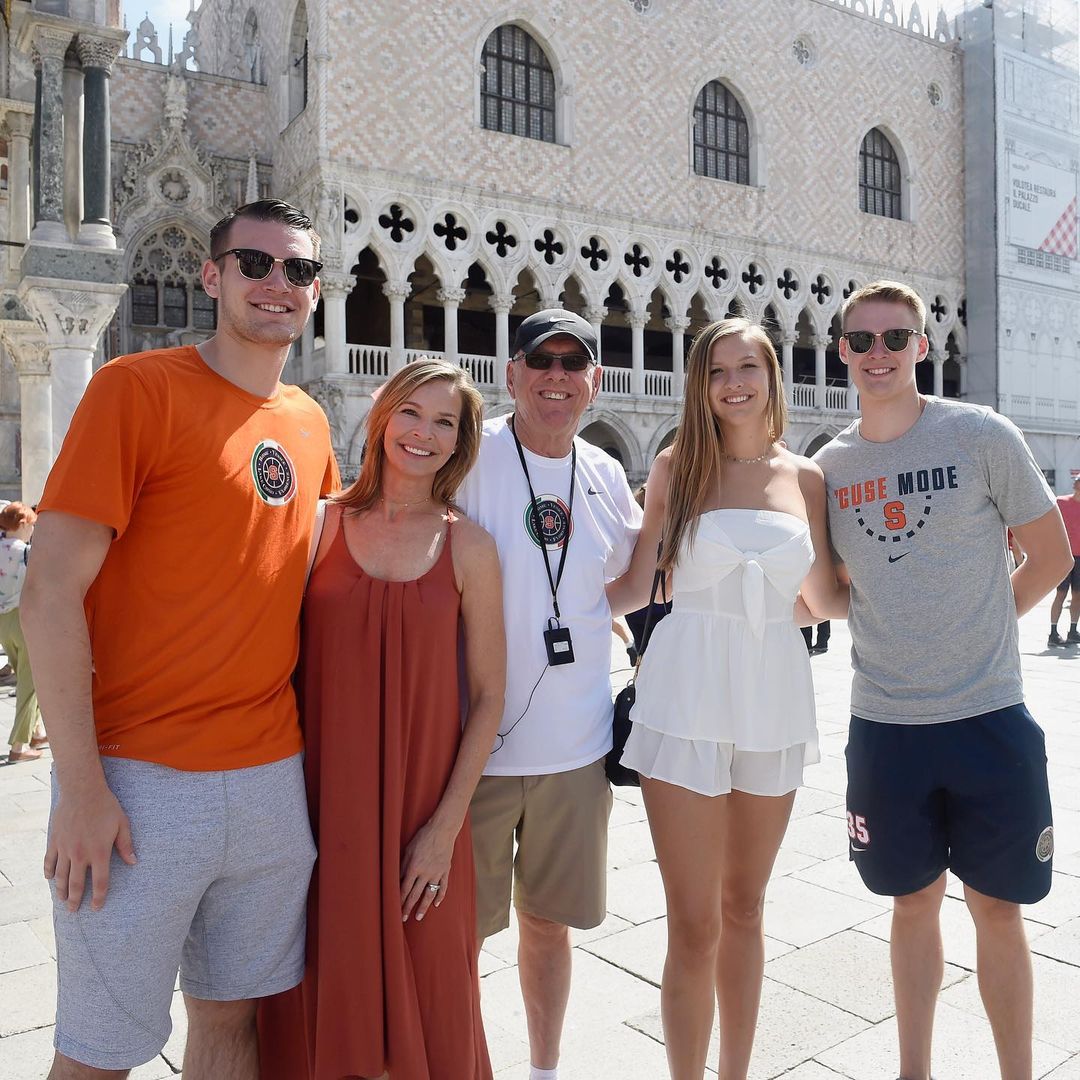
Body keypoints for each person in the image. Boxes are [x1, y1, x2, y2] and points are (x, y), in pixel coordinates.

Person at [21, 199, 339, 1080]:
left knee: (233, 1023)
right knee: (99, 1051)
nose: (278, 284)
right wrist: (81, 787)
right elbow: (49, 591)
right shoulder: (137, 390)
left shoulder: (310, 424)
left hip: (272, 781)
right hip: (140, 784)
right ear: (212, 274)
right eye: (255, 264)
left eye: (299, 271)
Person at [808, 280, 1071, 1080]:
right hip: (885, 727)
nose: (878, 354)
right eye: (862, 340)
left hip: (990, 717)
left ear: (924, 347)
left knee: (999, 909)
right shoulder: (829, 467)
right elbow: (833, 595)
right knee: (910, 903)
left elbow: (1052, 555)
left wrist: (987, 624)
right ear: (842, 352)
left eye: (896, 339)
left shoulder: (981, 434)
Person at [258, 358, 505, 1080]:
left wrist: (444, 830)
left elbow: (490, 694)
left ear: (460, 444)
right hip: (320, 810)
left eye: (444, 421)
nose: (422, 433)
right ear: (381, 416)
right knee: (319, 993)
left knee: (435, 999)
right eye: (410, 412)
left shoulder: (470, 545)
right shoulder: (318, 524)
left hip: (426, 820)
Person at [607, 318, 838, 1080]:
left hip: (773, 694)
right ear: (699, 385)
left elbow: (827, 598)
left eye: (748, 366)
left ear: (773, 375)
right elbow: (639, 585)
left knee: (746, 907)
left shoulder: (807, 479)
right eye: (717, 370)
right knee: (694, 922)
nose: (734, 382)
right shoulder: (676, 467)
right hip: (683, 694)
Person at [456, 309, 641, 1080]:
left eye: (574, 363)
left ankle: (543, 1069)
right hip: (475, 751)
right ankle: (456, 1065)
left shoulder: (602, 475)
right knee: (452, 938)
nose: (558, 376)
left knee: (549, 925)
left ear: (595, 381)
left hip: (576, 750)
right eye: (543, 360)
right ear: (513, 372)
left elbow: (627, 586)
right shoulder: (468, 456)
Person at [0, 501, 46, 762]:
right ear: (21, 524)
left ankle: (36, 731)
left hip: (2, 621)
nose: (32, 530)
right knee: (30, 683)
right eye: (31, 524)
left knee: (25, 675)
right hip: (22, 618)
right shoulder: (25, 552)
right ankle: (19, 746)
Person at [1048, 474, 1080, 646]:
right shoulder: (1060, 502)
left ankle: (1073, 631)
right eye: (1077, 481)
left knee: (1077, 596)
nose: (1078, 484)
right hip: (1064, 556)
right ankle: (1053, 633)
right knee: (1061, 594)